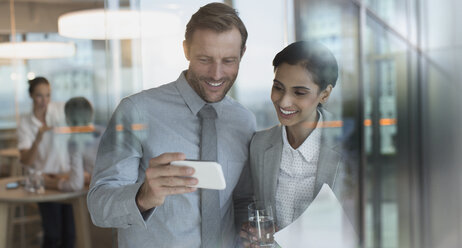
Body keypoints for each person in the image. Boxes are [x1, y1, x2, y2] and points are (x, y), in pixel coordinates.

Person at [87, 2, 256, 248]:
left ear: (242, 54)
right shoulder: (136, 111)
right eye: (205, 59)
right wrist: (143, 196)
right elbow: (98, 206)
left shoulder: (244, 121)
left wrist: (251, 228)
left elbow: (241, 201)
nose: (216, 74)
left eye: (229, 60)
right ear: (186, 50)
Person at [240, 41, 355, 246]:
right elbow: (249, 204)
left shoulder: (349, 148)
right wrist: (252, 232)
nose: (284, 102)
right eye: (278, 88)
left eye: (299, 93)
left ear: (325, 94)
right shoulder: (259, 145)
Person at [17, 76, 75, 248]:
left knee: (69, 236)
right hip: (44, 182)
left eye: (48, 95)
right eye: (39, 96)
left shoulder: (58, 110)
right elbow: (25, 160)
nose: (45, 100)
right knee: (52, 235)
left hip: (64, 178)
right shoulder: (26, 124)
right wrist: (38, 137)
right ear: (31, 96)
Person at [44, 97, 103, 192]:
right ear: (91, 115)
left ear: (67, 120)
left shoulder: (75, 143)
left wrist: (50, 183)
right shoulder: (104, 131)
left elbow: (75, 185)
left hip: (106, 195)